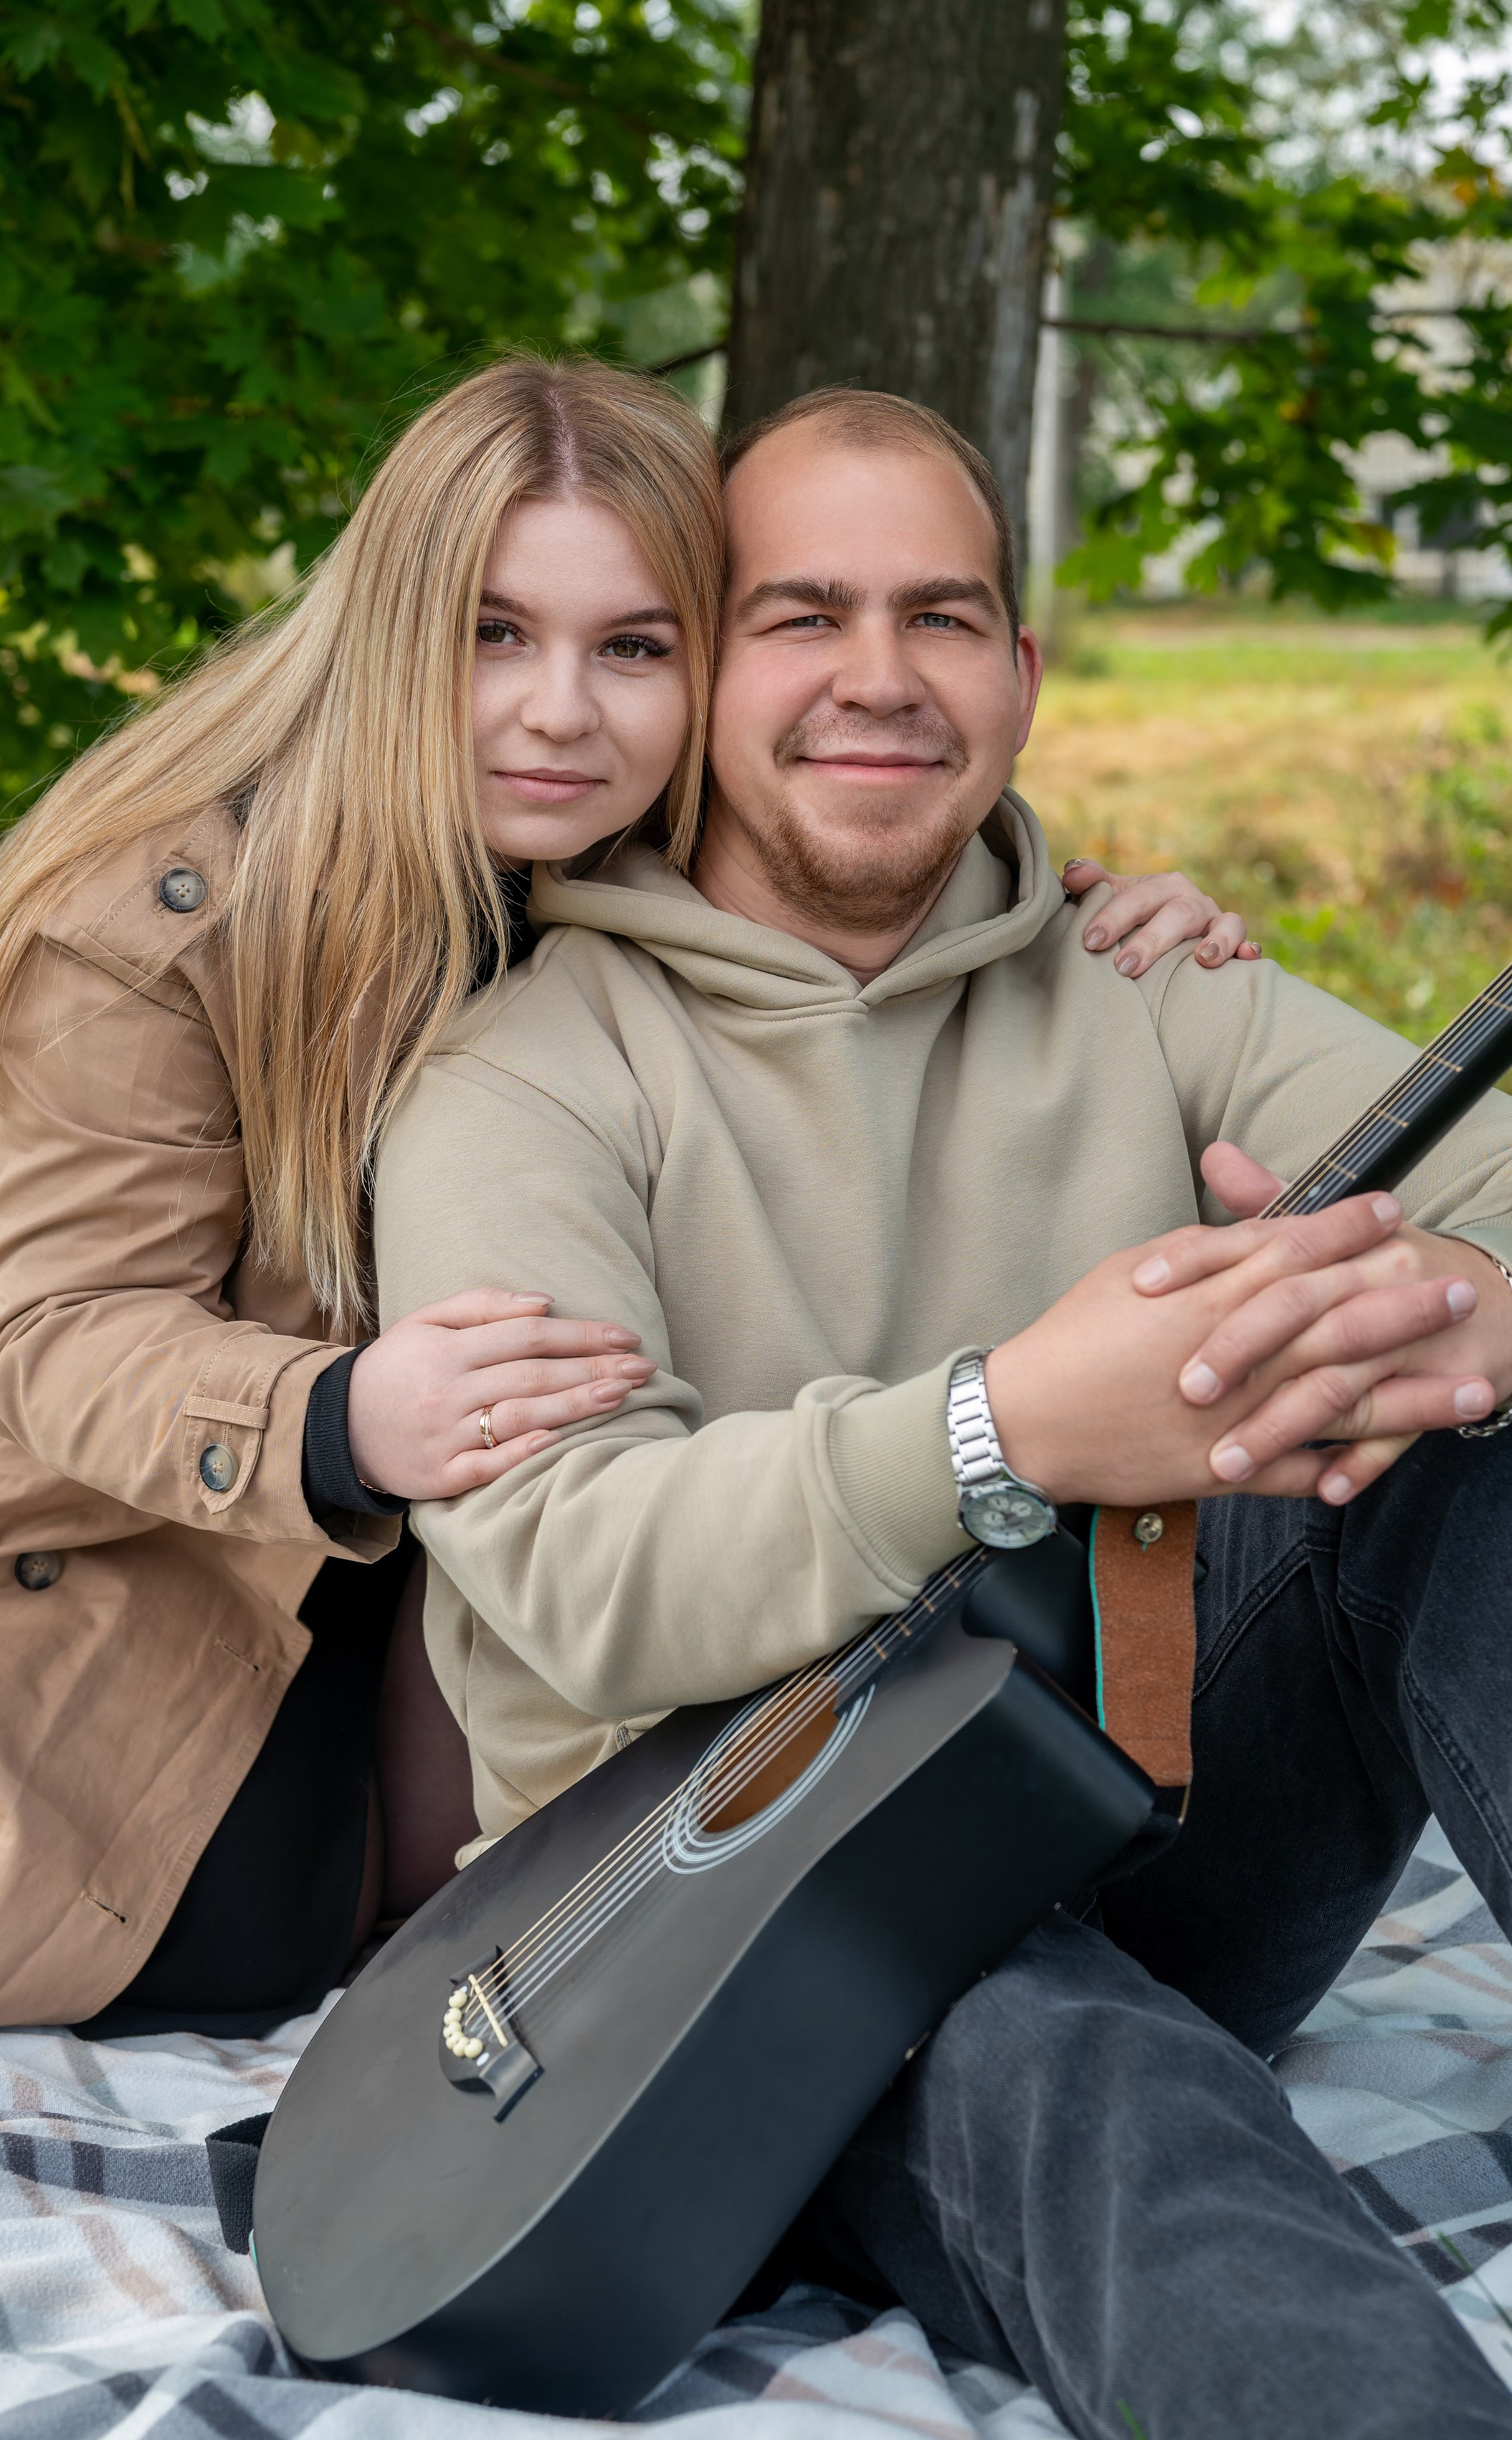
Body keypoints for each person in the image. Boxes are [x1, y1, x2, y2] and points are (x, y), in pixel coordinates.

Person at [0, 361, 1237, 2036]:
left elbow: (865, 842)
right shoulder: (158, 923)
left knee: (624, 1818)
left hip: (407, 1532)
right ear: (391, 630)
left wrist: (1072, 919)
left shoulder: (590, 862)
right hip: (78, 1580)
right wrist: (344, 1413)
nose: (559, 709)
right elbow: (61, 1346)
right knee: (243, 1920)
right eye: (494, 634)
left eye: (632, 646)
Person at [373, 387, 1512, 2438]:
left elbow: (1492, 1183)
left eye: (944, 616)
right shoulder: (529, 1078)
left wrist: (1471, 1315)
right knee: (1087, 2077)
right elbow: (572, 1569)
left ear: (1022, 670)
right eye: (804, 616)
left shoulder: (1145, 981)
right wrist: (1000, 1432)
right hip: (729, 1937)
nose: (880, 679)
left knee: (1474, 1412)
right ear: (706, 664)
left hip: (1149, 1823)